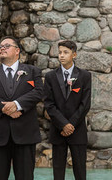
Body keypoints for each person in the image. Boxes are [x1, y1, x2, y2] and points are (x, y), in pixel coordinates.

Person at [0, 36, 43, 180]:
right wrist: (6, 109)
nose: (2, 48)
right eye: (0, 47)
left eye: (7, 46)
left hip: (25, 134)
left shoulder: (33, 71)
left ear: (17, 51)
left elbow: (39, 92)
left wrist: (17, 105)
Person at [43, 40, 91, 180]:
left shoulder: (84, 76)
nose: (61, 56)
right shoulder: (50, 76)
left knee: (80, 170)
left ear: (74, 54)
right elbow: (49, 103)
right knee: (58, 171)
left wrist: (71, 124)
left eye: (65, 52)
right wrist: (63, 124)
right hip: (58, 130)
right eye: (59, 53)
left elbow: (85, 104)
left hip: (78, 129)